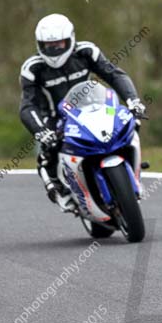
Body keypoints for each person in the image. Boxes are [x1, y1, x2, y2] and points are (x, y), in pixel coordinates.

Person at [18, 13, 146, 209]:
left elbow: (114, 75)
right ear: (39, 45)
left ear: (70, 39)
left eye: (59, 44)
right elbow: (28, 106)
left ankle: (133, 171)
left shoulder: (87, 52)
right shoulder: (32, 69)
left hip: (93, 108)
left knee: (130, 124)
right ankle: (59, 188)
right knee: (47, 153)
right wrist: (41, 131)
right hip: (54, 119)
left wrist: (133, 100)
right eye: (48, 46)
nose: (54, 50)